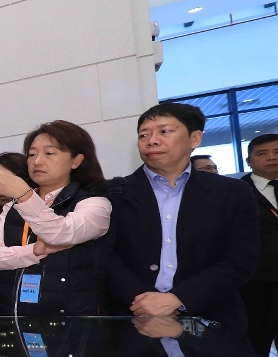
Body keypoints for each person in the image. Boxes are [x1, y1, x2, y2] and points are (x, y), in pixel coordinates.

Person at [108, 103, 258, 327]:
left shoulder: (232, 192)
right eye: (143, 135)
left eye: (165, 131)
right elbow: (104, 257)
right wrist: (143, 302)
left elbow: (240, 260)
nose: (152, 140)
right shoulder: (113, 193)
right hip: (133, 319)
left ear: (195, 139)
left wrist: (179, 299)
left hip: (211, 318)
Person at [0, 121, 112, 316]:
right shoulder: (13, 205)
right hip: (12, 316)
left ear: (76, 161)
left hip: (71, 320)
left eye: (49, 153)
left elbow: (61, 233)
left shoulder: (95, 203)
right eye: (32, 154)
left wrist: (24, 196)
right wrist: (33, 251)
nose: (37, 161)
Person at [240, 133, 278, 356]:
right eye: (262, 153)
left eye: (277, 152)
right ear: (249, 161)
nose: (271, 158)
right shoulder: (236, 192)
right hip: (257, 284)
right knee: (257, 345)